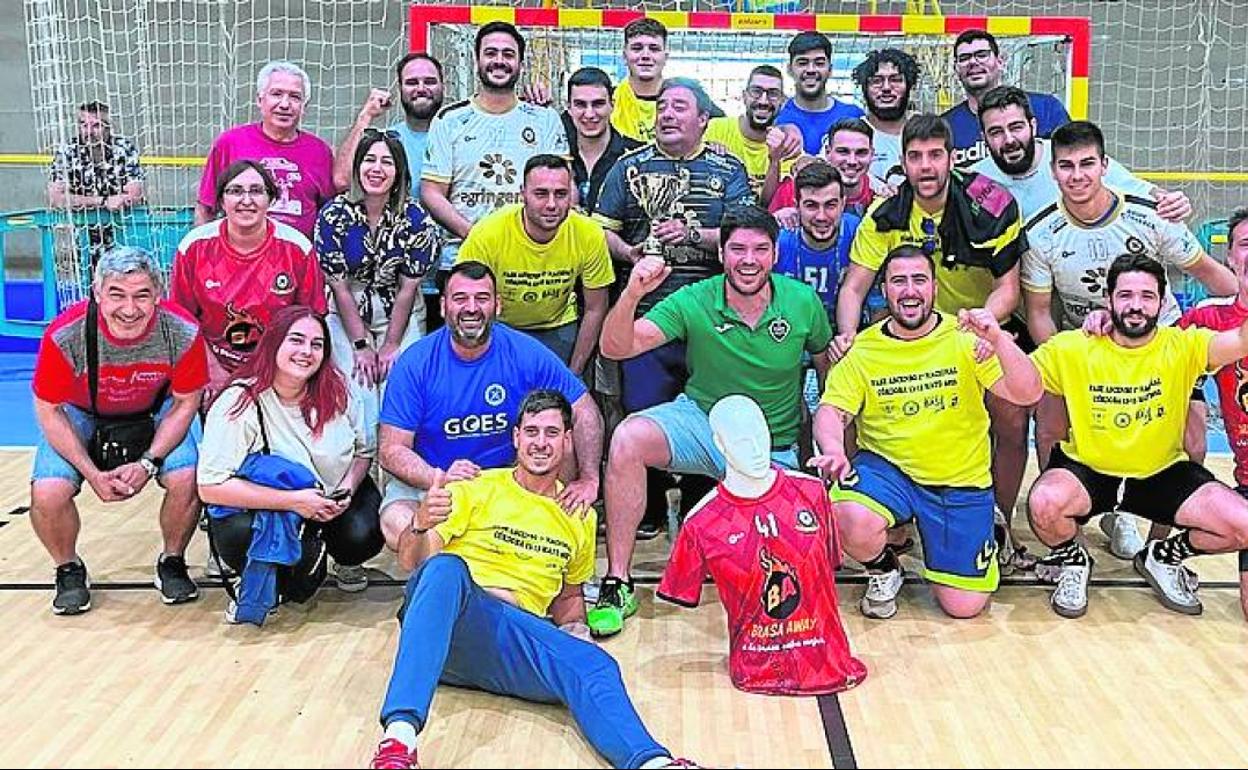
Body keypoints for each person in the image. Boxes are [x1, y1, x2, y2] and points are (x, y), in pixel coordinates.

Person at [368, 389, 694, 770]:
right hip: (453, 622)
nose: (541, 443)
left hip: (511, 641)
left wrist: (576, 630)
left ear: (568, 441)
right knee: (445, 568)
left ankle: (654, 764)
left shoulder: (579, 517)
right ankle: (398, 743)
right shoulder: (475, 488)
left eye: (552, 433)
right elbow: (413, 562)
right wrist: (420, 523)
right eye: (532, 431)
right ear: (516, 437)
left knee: (596, 664)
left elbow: (569, 599)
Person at [592, 205, 832, 637]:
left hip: (770, 447)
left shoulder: (802, 302)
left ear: (775, 255)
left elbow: (828, 376)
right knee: (627, 438)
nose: (748, 259)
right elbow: (616, 348)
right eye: (737, 248)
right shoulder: (695, 299)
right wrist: (631, 294)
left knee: (781, 579)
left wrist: (825, 445)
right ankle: (618, 580)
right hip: (702, 425)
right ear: (721, 253)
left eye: (760, 249)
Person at [833, 113, 1034, 573]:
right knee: (845, 383)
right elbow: (854, 287)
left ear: (951, 158)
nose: (926, 167)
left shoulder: (991, 204)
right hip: (910, 331)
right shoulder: (883, 215)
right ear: (902, 161)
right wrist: (847, 336)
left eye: (935, 156)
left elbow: (1009, 287)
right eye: (915, 157)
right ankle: (882, 513)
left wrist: (987, 323)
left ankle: (998, 521)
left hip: (976, 329)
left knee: (1010, 414)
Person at [1021, 120, 1235, 552]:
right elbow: (1040, 314)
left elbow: (1217, 280)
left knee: (1192, 439)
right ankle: (1070, 542)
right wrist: (1068, 359)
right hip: (1088, 346)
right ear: (1053, 172)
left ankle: (1159, 549)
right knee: (1048, 427)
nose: (1077, 175)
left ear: (1104, 165)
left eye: (1087, 164)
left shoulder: (1150, 215)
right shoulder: (1041, 232)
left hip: (1158, 343)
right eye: (1066, 166)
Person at [813, 245, 1044, 619]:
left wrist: (1000, 340)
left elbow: (1029, 392)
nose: (909, 290)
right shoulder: (864, 348)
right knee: (847, 515)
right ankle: (885, 566)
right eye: (898, 281)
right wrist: (834, 450)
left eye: (919, 280)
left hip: (958, 480)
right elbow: (830, 411)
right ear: (884, 290)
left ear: (934, 288)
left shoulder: (968, 338)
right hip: (890, 472)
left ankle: (982, 530)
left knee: (964, 607)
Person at [1026, 254, 1248, 619]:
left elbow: (1240, 340)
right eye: (1125, 295)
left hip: (1161, 473)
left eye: (1147, 296)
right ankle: (1074, 560)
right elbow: (1021, 382)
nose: (1135, 305)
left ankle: (1163, 556)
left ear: (1162, 303)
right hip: (1089, 470)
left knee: (1241, 524)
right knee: (1044, 503)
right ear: (1108, 300)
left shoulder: (1184, 345)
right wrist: (993, 341)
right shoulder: (1073, 346)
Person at [377, 261, 603, 553]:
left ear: (498, 305)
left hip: (509, 483)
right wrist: (439, 477)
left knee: (563, 444)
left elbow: (584, 409)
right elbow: (391, 450)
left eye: (481, 298)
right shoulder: (415, 362)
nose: (471, 307)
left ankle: (542, 553)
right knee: (396, 523)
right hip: (435, 481)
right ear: (443, 306)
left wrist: (589, 478)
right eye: (460, 299)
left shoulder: (525, 352)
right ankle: (449, 575)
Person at [31, 246, 207, 615]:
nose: (130, 309)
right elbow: (48, 411)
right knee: (48, 493)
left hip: (154, 412)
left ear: (158, 295)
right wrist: (92, 474)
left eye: (142, 295)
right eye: (117, 295)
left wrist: (148, 463)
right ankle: (68, 568)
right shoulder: (65, 335)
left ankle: (172, 561)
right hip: (81, 413)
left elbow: (185, 404)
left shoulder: (183, 332)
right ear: (97, 293)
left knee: (187, 477)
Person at [658, 394, 867, 695]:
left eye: (761, 436)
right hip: (754, 673)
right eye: (743, 442)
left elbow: (828, 566)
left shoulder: (811, 493)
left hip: (831, 665)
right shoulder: (701, 522)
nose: (757, 451)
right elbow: (680, 590)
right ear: (720, 444)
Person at [199, 306, 383, 615]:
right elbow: (210, 486)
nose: (306, 352)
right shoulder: (239, 401)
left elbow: (364, 452)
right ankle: (268, 574)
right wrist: (294, 501)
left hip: (330, 497)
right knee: (255, 548)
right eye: (296, 340)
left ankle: (336, 554)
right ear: (274, 343)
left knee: (363, 534)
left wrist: (347, 491)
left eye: (316, 344)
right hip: (274, 506)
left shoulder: (342, 391)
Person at [420, 22, 569, 295]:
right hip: (465, 258)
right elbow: (431, 192)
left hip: (532, 261)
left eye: (508, 54)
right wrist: (477, 235)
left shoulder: (546, 119)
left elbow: (564, 191)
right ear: (477, 59)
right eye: (491, 53)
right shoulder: (449, 120)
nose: (499, 60)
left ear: (521, 63)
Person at [172, 160, 328, 399]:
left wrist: (281, 374)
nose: (246, 200)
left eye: (256, 191)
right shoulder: (194, 247)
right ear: (222, 201)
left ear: (271, 199)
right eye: (235, 191)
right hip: (211, 365)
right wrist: (212, 371)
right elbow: (181, 321)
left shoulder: (297, 248)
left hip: (277, 366)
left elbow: (311, 320)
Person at [315, 129, 439, 429]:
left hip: (399, 308)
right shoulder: (333, 216)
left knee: (400, 388)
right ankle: (360, 468)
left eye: (387, 162)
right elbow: (339, 287)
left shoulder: (416, 218)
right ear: (357, 166)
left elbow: (409, 288)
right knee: (358, 392)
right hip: (347, 310)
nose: (377, 169)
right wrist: (361, 345)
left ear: (398, 171)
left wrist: (391, 344)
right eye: (369, 160)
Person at [457, 155, 614, 374]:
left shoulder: (589, 233)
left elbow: (595, 308)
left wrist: (573, 374)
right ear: (523, 194)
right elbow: (464, 301)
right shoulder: (487, 233)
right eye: (541, 194)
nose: (551, 204)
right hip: (500, 327)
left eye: (560, 194)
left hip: (557, 324)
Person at [971, 86, 1190, 222]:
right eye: (996, 132)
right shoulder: (972, 181)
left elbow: (1143, 191)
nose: (1009, 140)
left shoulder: (1072, 160)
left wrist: (1171, 201)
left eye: (1016, 127)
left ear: (1033, 125)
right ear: (984, 136)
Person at [1178, 208, 1248, 621]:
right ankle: (1165, 553)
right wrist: (1103, 322)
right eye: (1245, 245)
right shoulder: (1210, 318)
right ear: (1230, 258)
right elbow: (1151, 348)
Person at [195, 60, 338, 237]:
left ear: (304, 107)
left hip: (296, 260)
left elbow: (328, 216)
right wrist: (201, 256)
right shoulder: (230, 143)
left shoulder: (320, 152)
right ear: (259, 100)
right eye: (276, 94)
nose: (285, 104)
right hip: (239, 259)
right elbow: (206, 208)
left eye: (295, 97)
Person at [941, 29, 1070, 168]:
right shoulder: (944, 126)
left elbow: (1073, 158)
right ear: (956, 69)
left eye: (982, 55)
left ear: (1000, 61)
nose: (973, 62)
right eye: (964, 58)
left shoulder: (1046, 108)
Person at [47, 101, 147, 262]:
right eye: (84, 125)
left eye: (96, 126)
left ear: (108, 128)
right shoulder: (67, 151)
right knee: (90, 283)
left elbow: (135, 194)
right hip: (85, 237)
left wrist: (78, 200)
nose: (89, 132)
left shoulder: (124, 149)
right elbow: (56, 199)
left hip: (126, 233)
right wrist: (103, 201)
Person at [334, 53, 445, 194]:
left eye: (430, 81)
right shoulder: (388, 140)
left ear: (443, 86)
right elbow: (342, 181)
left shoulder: (463, 135)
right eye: (412, 83)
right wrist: (365, 116)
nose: (421, 89)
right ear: (400, 89)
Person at [704, 65, 802, 205]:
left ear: (783, 101)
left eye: (773, 93)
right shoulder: (714, 130)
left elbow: (769, 205)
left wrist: (775, 161)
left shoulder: (787, 144)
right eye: (756, 92)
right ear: (744, 96)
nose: (763, 101)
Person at [775, 161, 859, 323]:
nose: (821, 216)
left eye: (830, 205)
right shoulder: (779, 242)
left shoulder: (859, 233)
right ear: (796, 206)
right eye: (811, 206)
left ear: (843, 204)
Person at [562, 67, 642, 213]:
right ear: (568, 107)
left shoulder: (636, 157)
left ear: (612, 104)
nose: (590, 114)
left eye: (598, 104)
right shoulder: (556, 153)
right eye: (580, 104)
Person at [776, 31, 866, 156]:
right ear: (789, 70)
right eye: (802, 63)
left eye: (819, 63)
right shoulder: (777, 118)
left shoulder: (853, 115)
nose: (811, 70)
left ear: (830, 70)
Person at [852, 48, 920, 188]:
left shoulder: (925, 134)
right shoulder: (850, 135)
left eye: (895, 80)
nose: (886, 88)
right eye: (877, 81)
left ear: (910, 86)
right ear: (864, 88)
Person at [610, 18, 668, 144]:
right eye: (637, 48)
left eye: (654, 49)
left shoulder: (691, 103)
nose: (645, 55)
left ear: (665, 57)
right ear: (624, 56)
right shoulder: (607, 101)